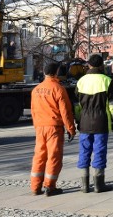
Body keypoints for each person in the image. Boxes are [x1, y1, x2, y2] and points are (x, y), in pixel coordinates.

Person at [30, 62, 76, 196]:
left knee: (39, 156)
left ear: (44, 73)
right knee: (53, 157)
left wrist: (37, 125)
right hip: (54, 128)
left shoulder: (36, 90)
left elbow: (33, 110)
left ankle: (35, 187)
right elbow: (66, 112)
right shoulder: (58, 89)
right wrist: (71, 128)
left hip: (40, 127)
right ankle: (50, 187)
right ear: (56, 73)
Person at [75, 54, 113, 193]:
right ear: (101, 65)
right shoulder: (106, 80)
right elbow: (112, 104)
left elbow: (77, 105)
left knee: (84, 150)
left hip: (85, 122)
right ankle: (99, 183)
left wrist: (78, 120)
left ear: (88, 65)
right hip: (101, 121)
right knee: (99, 150)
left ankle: (84, 184)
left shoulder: (81, 81)